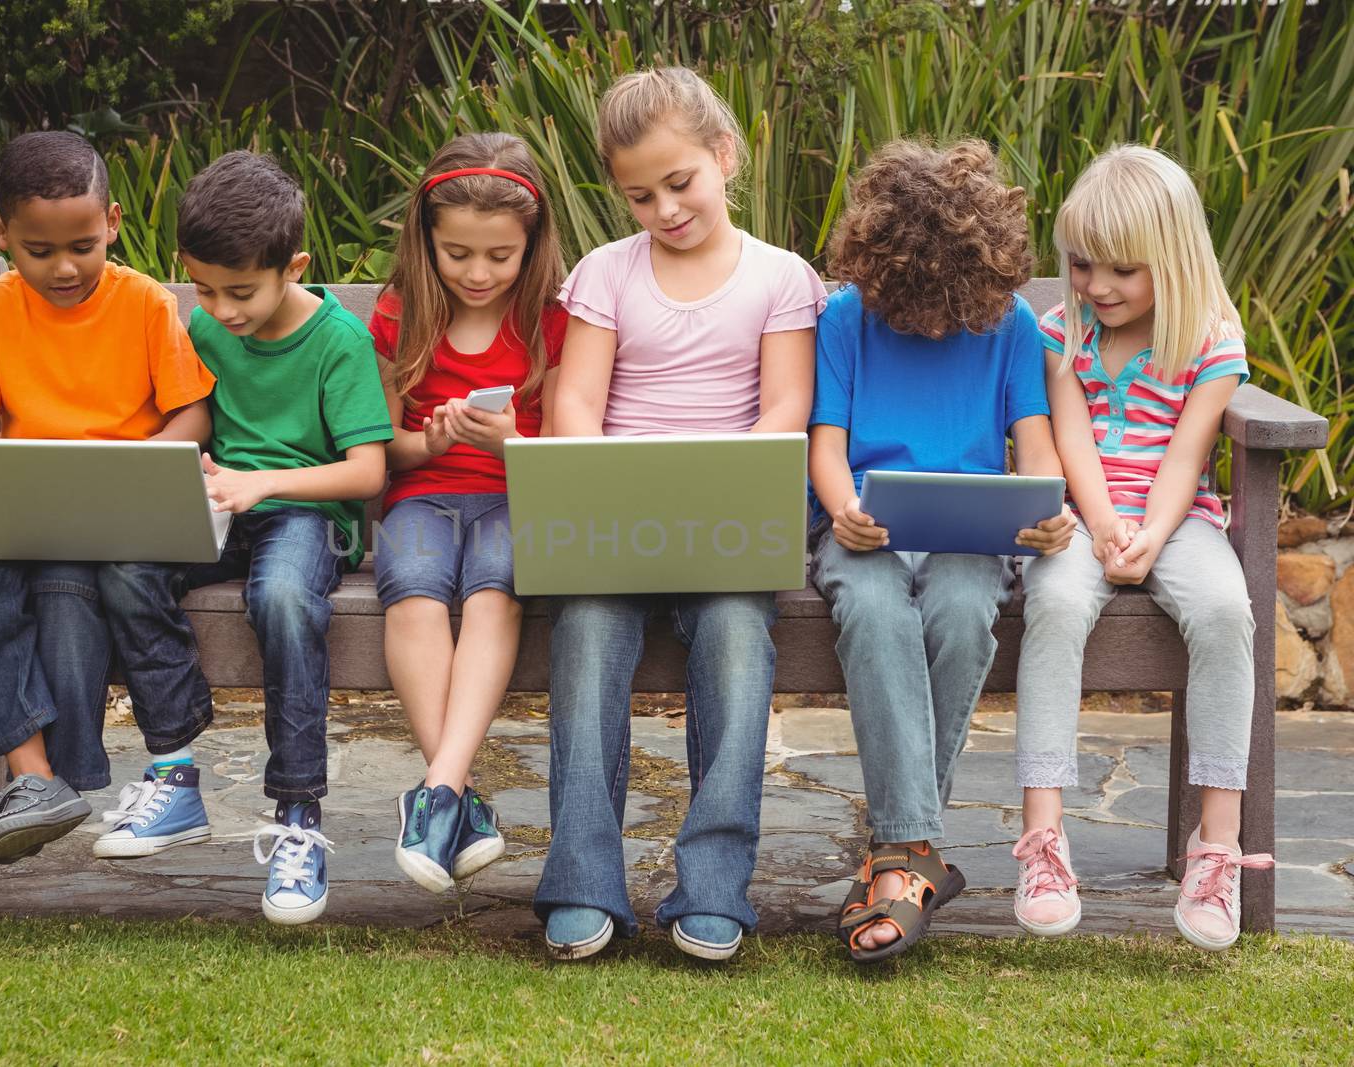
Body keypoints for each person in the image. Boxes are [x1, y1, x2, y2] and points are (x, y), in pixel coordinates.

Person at [535, 67, 826, 962]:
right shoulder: (606, 274)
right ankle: (583, 880)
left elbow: (785, 409)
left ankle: (713, 885)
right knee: (583, 633)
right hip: (618, 523)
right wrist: (604, 481)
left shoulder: (780, 278)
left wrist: (719, 484)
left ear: (725, 155)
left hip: (730, 525)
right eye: (639, 195)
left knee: (738, 639)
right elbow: (574, 403)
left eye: (680, 182)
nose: (663, 209)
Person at [95, 151, 393, 925]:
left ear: (293, 265)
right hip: (221, 504)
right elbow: (189, 416)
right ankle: (175, 771)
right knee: (126, 567)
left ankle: (297, 814)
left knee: (284, 597)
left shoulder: (338, 342)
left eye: (240, 291)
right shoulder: (202, 326)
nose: (220, 310)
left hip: (304, 512)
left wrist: (263, 481)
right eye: (202, 288)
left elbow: (366, 472)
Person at [808, 140, 1076, 964]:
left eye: (943, 302)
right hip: (867, 529)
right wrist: (843, 508)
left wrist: (1049, 510)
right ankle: (917, 856)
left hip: (970, 535)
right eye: (910, 302)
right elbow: (826, 444)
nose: (926, 320)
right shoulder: (848, 316)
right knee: (874, 607)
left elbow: (1036, 447)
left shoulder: (1011, 324)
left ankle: (898, 857)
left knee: (965, 611)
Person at [1012, 145, 1272, 951]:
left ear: (1174, 259)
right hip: (1086, 515)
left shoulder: (1210, 340)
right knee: (1052, 601)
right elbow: (1072, 439)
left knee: (1228, 609)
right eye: (1083, 264)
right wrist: (1101, 526)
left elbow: (1188, 457)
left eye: (1123, 270)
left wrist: (1152, 534)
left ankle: (1216, 845)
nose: (1097, 286)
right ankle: (1044, 840)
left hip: (1176, 516)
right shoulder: (1063, 332)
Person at [0, 131, 215, 863]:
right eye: (39, 251)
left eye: (84, 245)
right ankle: (36, 778)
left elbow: (192, 413)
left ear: (115, 223)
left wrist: (141, 466)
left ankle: (56, 780)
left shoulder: (145, 304)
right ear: (1, 235)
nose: (65, 267)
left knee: (69, 590)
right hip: (29, 512)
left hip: (114, 522)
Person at [369, 133, 569, 892]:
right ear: (427, 240)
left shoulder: (552, 320)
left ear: (531, 243)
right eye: (457, 254)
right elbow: (386, 444)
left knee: (494, 590)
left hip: (519, 497)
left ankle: (438, 792)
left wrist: (514, 437)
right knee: (413, 590)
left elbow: (570, 442)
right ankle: (456, 797)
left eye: (498, 256)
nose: (478, 272)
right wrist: (429, 439)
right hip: (423, 493)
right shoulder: (398, 315)